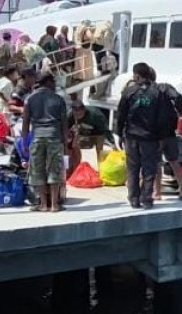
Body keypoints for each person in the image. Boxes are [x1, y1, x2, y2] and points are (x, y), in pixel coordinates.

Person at [115, 62, 172, 209]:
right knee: (149, 168)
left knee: (133, 168)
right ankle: (147, 198)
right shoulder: (157, 93)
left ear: (136, 75)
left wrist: (119, 133)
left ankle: (134, 199)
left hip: (131, 136)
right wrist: (162, 137)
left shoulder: (129, 92)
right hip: (150, 137)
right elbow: (163, 118)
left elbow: (121, 114)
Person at [23, 72, 69, 212]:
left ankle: (43, 205)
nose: (55, 85)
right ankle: (54, 205)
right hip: (54, 137)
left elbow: (26, 123)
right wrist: (65, 144)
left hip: (37, 137)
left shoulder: (30, 99)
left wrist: (25, 142)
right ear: (48, 82)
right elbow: (64, 124)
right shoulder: (58, 99)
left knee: (38, 170)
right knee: (54, 170)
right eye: (53, 82)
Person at [153, 71, 182, 202]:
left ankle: (157, 193)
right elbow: (178, 97)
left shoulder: (149, 91)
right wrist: (180, 110)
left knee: (157, 163)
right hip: (170, 131)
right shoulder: (166, 87)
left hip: (157, 133)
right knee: (174, 162)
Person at [69, 100, 115, 164]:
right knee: (74, 146)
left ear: (84, 110)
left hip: (98, 133)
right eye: (76, 113)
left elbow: (105, 129)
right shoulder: (70, 115)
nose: (78, 115)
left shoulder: (96, 114)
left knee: (100, 150)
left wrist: (112, 142)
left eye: (80, 113)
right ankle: (77, 167)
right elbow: (66, 128)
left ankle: (101, 167)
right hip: (83, 133)